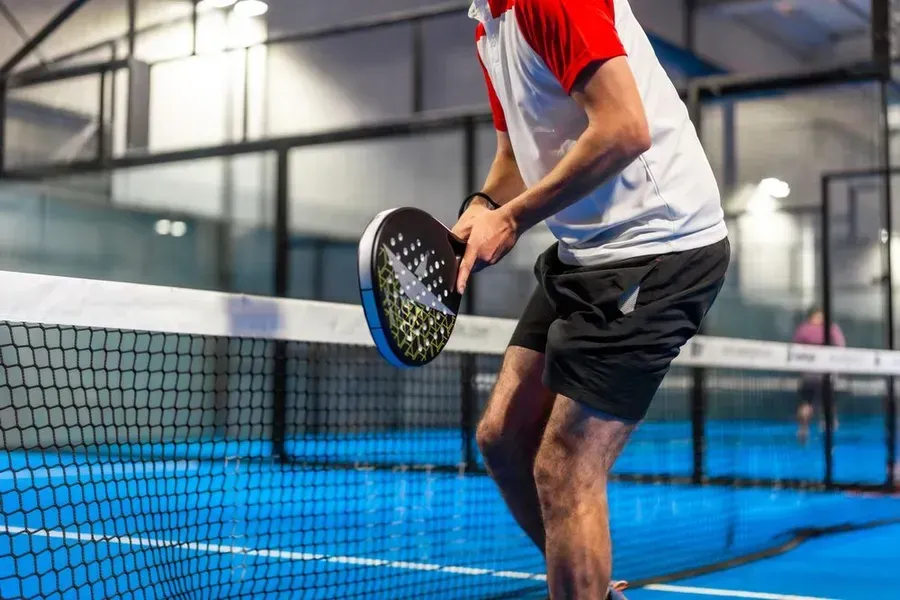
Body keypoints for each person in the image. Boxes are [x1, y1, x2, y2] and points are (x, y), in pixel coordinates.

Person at [450, 1, 730, 598]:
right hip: (585, 252)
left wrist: (515, 219)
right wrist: (482, 203)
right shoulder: (488, 26)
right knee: (502, 438)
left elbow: (625, 128)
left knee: (565, 467)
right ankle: (590, 586)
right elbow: (514, 157)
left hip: (661, 247)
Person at [792, 307, 846, 444]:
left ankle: (825, 427)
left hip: (823, 374)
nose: (819, 319)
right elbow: (841, 346)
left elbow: (840, 346)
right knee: (810, 403)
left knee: (824, 403)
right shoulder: (826, 328)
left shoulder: (826, 328)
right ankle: (805, 429)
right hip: (814, 374)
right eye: (818, 316)